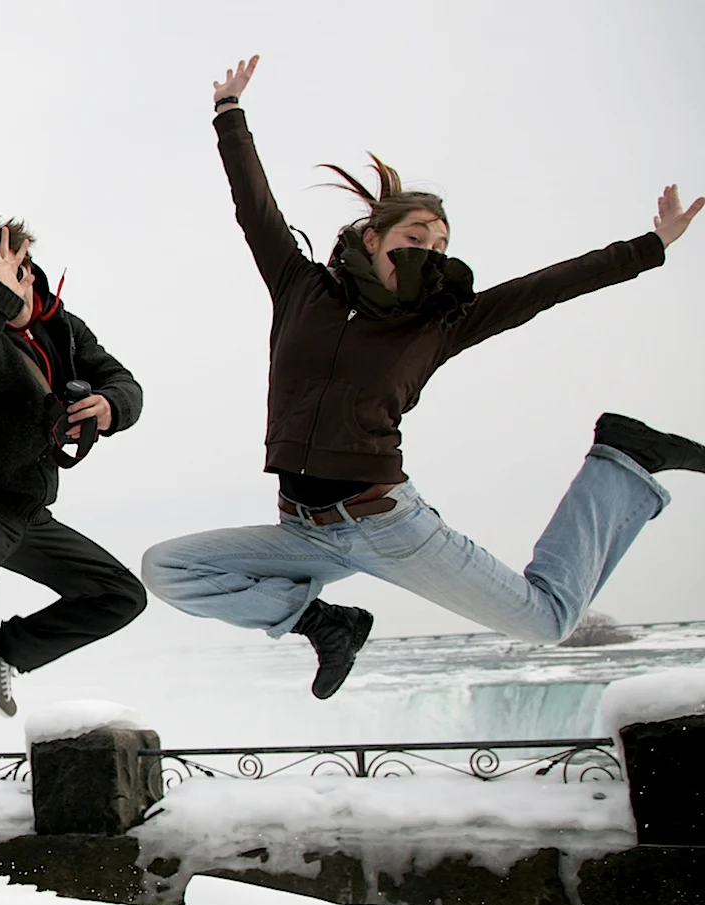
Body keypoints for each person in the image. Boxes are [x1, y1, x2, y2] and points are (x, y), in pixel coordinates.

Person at [142, 57, 705, 698]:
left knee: (549, 621)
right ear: (374, 238)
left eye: (440, 243)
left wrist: (649, 246)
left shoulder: (439, 323)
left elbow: (545, 287)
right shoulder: (302, 289)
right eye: (416, 235)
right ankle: (324, 623)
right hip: (302, 529)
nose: (430, 249)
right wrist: (229, 114)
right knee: (169, 567)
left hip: (387, 526)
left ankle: (620, 461)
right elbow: (255, 209)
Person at [0, 209, 148, 718]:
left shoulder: (66, 331)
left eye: (12, 276)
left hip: (26, 506)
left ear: (30, 270)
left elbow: (124, 383)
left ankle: (0, 654)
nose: (7, 290)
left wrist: (111, 406)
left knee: (120, 595)